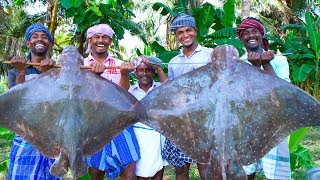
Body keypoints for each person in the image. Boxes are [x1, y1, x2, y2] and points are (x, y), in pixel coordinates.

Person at [236, 17, 291, 179]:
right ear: (241, 38)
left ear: (262, 34)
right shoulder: (239, 63)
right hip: (247, 125)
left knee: (276, 175)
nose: (250, 35)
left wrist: (266, 64)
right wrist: (255, 67)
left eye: (255, 31)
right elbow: (243, 96)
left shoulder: (279, 59)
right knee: (247, 172)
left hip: (275, 125)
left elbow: (281, 95)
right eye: (245, 33)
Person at [83, 23, 140, 180]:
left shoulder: (118, 63)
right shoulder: (81, 64)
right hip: (94, 126)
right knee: (96, 172)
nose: (101, 40)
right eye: (97, 37)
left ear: (110, 41)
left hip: (119, 122)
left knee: (129, 172)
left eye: (105, 37)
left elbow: (123, 94)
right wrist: (96, 77)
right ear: (90, 40)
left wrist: (125, 74)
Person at [7, 23, 63, 180]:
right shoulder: (15, 71)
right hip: (26, 136)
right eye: (35, 37)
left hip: (54, 138)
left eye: (45, 37)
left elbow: (58, 104)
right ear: (28, 43)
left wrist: (48, 75)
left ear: (50, 44)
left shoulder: (59, 71)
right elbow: (17, 104)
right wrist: (22, 71)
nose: (40, 39)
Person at [162, 13, 213, 180]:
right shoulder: (174, 62)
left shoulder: (210, 55)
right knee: (181, 169)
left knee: (205, 166)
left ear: (196, 31)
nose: (185, 35)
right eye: (180, 32)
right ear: (176, 36)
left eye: (188, 30)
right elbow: (171, 89)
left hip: (205, 119)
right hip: (181, 120)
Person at [129, 56, 168, 180]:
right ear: (135, 73)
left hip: (157, 135)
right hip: (139, 136)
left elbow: (169, 88)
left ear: (153, 72)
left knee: (158, 169)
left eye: (149, 70)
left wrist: (157, 66)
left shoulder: (160, 88)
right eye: (141, 70)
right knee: (142, 173)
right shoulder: (131, 91)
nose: (144, 73)